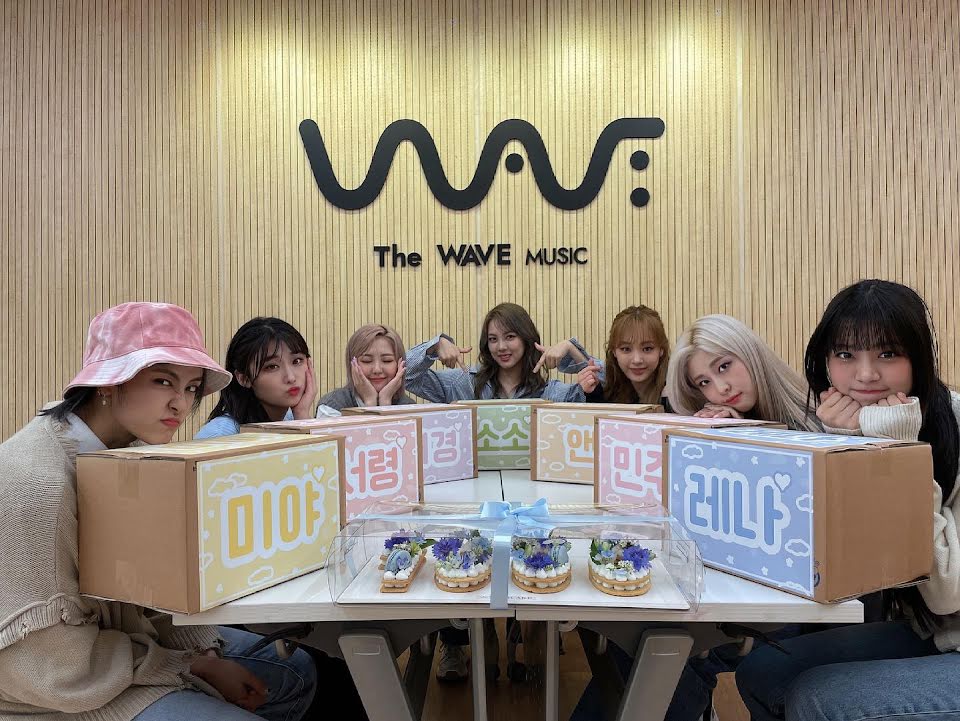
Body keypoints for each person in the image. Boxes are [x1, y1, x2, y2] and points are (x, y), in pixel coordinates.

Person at [0, 302, 318, 721]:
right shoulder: (39, 485)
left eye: (191, 388)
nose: (180, 405)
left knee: (294, 671)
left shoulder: (129, 452)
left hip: (118, 643)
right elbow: (47, 664)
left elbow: (152, 585)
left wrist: (202, 652)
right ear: (108, 382)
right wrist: (189, 666)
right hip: (47, 693)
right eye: (164, 381)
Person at [735, 279, 960, 721]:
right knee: (764, 671)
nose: (866, 374)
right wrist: (849, 448)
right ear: (825, 362)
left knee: (818, 699)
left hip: (950, 629)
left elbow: (946, 593)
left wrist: (898, 455)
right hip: (931, 631)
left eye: (888, 354)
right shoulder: (853, 423)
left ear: (919, 358)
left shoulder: (953, 422)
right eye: (845, 355)